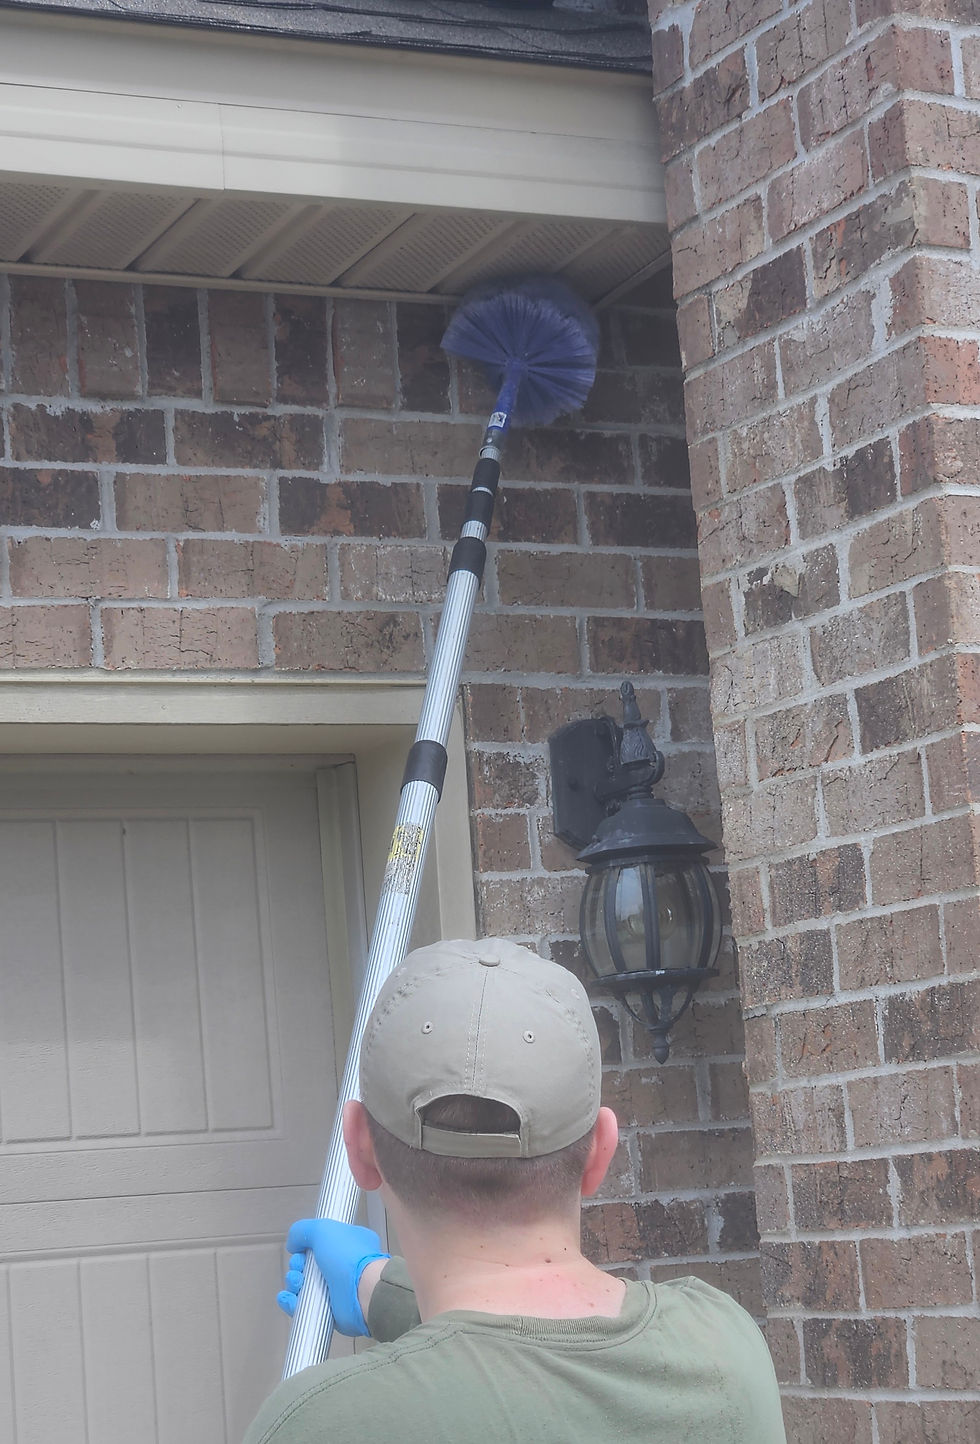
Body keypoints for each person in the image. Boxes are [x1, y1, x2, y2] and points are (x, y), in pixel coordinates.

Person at [244, 938, 786, 1444]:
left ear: (360, 1148)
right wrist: (375, 1285)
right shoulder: (723, 1349)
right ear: (601, 1151)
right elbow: (535, 1367)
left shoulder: (322, 1422)